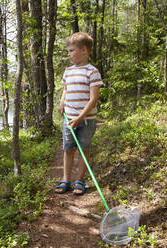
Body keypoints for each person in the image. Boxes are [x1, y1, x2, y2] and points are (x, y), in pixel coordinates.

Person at [55, 32, 103, 195]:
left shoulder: (92, 72)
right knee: (68, 149)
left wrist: (80, 118)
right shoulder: (68, 71)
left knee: (84, 149)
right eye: (68, 51)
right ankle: (66, 179)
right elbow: (66, 89)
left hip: (86, 120)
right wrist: (62, 103)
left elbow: (93, 99)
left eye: (71, 50)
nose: (69, 54)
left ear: (84, 50)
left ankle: (80, 180)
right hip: (69, 119)